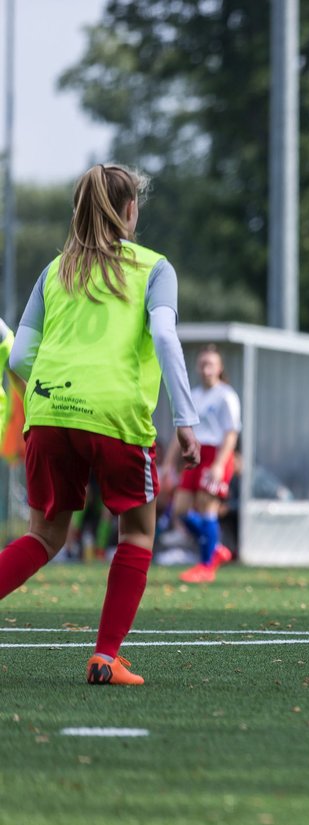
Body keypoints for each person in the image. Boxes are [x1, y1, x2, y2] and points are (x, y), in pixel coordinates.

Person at [0, 164, 200, 685]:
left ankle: (107, 655)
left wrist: (45, 398)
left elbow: (20, 356)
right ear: (130, 210)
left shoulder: (55, 270)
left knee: (44, 537)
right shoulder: (154, 268)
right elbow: (164, 337)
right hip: (114, 416)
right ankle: (105, 656)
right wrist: (185, 420)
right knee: (136, 533)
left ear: (77, 210)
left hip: (48, 412)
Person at [168, 344, 241, 584]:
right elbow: (182, 431)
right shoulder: (195, 395)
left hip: (216, 455)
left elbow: (231, 434)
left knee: (207, 509)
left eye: (210, 364)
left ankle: (207, 566)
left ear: (219, 368)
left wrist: (220, 464)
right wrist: (169, 463)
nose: (205, 368)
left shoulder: (226, 395)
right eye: (202, 364)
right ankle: (216, 547)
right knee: (180, 511)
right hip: (197, 454)